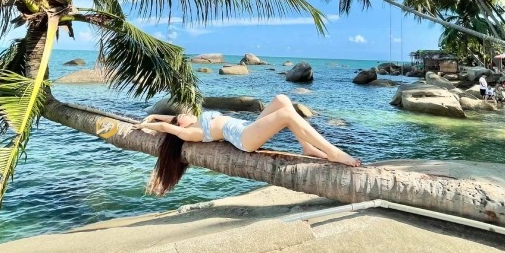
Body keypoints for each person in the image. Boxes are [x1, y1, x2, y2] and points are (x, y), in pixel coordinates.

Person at [133, 94, 361, 195]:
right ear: (179, 127)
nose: (181, 115)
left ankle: (308, 147)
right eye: (178, 118)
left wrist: (153, 115)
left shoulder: (194, 120)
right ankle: (332, 152)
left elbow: (166, 120)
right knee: (287, 115)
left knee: (282, 99)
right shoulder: (190, 132)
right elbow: (167, 127)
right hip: (244, 138)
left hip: (246, 126)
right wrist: (146, 124)